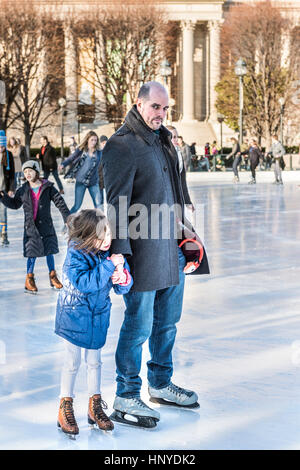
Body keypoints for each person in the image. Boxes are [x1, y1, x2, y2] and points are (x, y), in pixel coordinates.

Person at [102, 81, 209, 428]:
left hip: (171, 248)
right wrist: (119, 255)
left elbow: (175, 192)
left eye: (165, 109)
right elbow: (117, 204)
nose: (160, 114)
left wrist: (187, 233)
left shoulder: (163, 140)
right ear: (139, 104)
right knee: (138, 325)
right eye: (155, 107)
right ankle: (126, 394)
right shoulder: (122, 145)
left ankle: (160, 384)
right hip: (142, 251)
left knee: (167, 324)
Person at [55, 209, 133, 436]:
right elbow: (85, 283)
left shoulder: (108, 253)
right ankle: (65, 405)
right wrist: (110, 267)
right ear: (87, 236)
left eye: (108, 234)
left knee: (94, 361)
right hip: (74, 315)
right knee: (72, 361)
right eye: (100, 238)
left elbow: (122, 286)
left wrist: (122, 276)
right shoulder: (75, 255)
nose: (107, 241)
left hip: (97, 315)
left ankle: (94, 405)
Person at [0, 160, 69, 293]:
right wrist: (3, 198)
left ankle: (53, 276)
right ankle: (29, 278)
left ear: (37, 171)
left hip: (46, 226)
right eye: (25, 172)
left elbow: (59, 202)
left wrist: (67, 218)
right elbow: (15, 204)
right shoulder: (23, 190)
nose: (27, 174)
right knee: (32, 252)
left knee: (49, 250)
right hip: (31, 227)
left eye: (30, 171)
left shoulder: (48, 187)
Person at [59, 131, 103, 213]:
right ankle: (68, 221)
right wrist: (63, 164)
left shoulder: (99, 152)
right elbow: (71, 158)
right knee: (77, 206)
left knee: (98, 205)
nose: (94, 142)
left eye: (95, 140)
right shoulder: (81, 150)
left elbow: (106, 161)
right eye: (92, 140)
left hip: (93, 182)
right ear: (87, 140)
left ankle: (101, 224)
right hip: (80, 182)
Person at [167, 126, 194, 212]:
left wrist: (187, 201)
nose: (176, 139)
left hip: (177, 200)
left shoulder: (178, 152)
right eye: (173, 137)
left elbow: (182, 180)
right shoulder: (161, 153)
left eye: (177, 137)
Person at [0, 130, 15, 246]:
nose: (1, 149)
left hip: (3, 190)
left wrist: (11, 189)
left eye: (2, 147)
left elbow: (12, 174)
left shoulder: (8, 155)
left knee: (2, 213)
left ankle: (4, 235)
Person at [98, 135, 108, 206]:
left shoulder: (110, 152)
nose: (104, 144)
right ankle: (100, 215)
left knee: (109, 200)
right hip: (99, 178)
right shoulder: (98, 153)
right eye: (103, 143)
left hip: (108, 179)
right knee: (100, 200)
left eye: (105, 142)